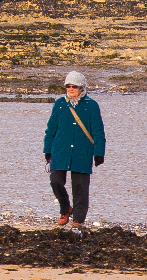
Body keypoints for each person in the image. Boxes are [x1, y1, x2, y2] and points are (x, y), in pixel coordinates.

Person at [43, 70, 106, 231]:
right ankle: (65, 209)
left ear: (82, 88)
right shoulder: (59, 104)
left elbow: (98, 131)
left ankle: (78, 218)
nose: (70, 89)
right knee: (55, 181)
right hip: (60, 151)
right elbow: (51, 129)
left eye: (74, 86)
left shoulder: (91, 106)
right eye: (68, 86)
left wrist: (99, 153)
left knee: (80, 188)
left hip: (82, 152)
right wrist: (47, 150)